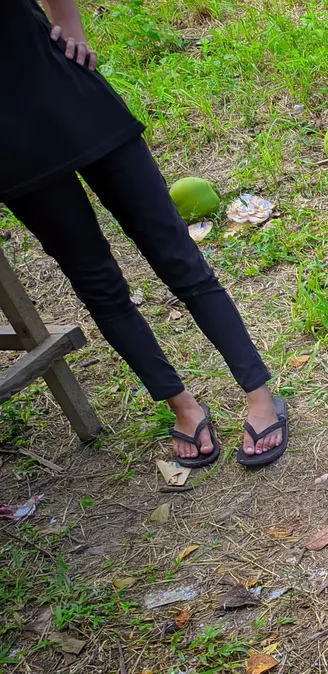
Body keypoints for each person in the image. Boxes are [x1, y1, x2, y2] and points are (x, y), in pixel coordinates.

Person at [0, 0, 289, 468]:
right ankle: (183, 406)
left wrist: (68, 20)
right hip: (10, 148)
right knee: (96, 282)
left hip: (67, 87)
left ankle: (259, 395)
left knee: (174, 251)